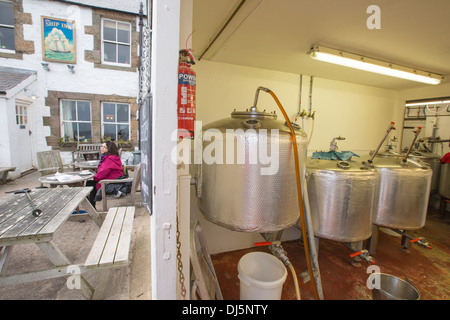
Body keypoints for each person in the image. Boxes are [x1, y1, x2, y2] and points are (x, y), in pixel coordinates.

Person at [86, 141, 123, 208]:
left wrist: (95, 177)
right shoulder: (113, 157)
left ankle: (90, 206)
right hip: (115, 181)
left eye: (104, 147)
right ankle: (91, 205)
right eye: (102, 146)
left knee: (89, 184)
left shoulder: (108, 159)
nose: (101, 148)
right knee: (91, 183)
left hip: (111, 184)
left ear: (109, 149)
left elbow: (101, 174)